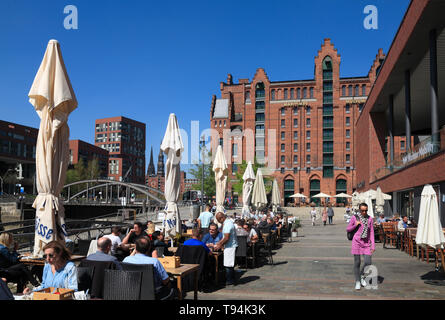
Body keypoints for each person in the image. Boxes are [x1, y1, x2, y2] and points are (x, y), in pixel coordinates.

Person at [346, 203, 375, 291]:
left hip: (366, 243)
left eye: (366, 210)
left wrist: (373, 245)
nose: (364, 212)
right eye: (362, 210)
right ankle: (358, 281)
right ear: (359, 210)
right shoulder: (355, 217)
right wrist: (355, 224)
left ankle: (362, 275)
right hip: (356, 242)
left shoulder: (370, 218)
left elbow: (371, 233)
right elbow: (348, 229)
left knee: (368, 262)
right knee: (357, 262)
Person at [214, 212, 238, 286]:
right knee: (229, 264)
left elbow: (226, 238)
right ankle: (230, 279)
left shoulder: (227, 224)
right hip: (230, 245)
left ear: (221, 218)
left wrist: (220, 244)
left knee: (228, 264)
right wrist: (220, 242)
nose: (218, 222)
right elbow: (225, 237)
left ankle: (229, 280)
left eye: (218, 220)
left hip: (230, 246)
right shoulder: (228, 223)